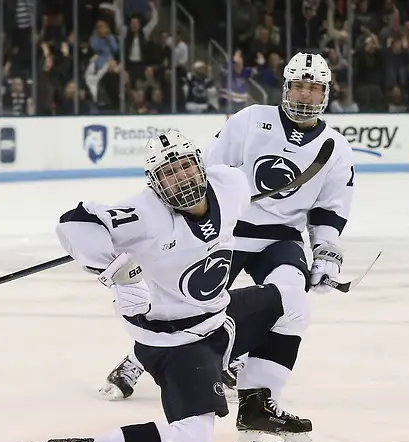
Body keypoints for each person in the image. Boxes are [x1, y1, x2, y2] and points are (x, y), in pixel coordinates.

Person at [24, 130, 314, 442]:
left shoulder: (230, 185)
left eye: (185, 167)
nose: (180, 178)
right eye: (168, 173)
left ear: (201, 166)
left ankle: (256, 409)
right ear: (154, 183)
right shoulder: (145, 214)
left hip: (219, 318)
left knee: (293, 302)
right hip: (176, 343)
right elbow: (76, 224)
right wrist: (118, 271)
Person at [100, 51, 356, 408]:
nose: (305, 96)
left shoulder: (336, 148)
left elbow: (329, 206)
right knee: (182, 302)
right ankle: (136, 361)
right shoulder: (251, 120)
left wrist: (326, 250)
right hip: (229, 228)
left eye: (314, 89)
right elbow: (206, 171)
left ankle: (233, 360)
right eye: (298, 87)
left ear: (326, 93)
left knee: (287, 297)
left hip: (281, 238)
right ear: (285, 88)